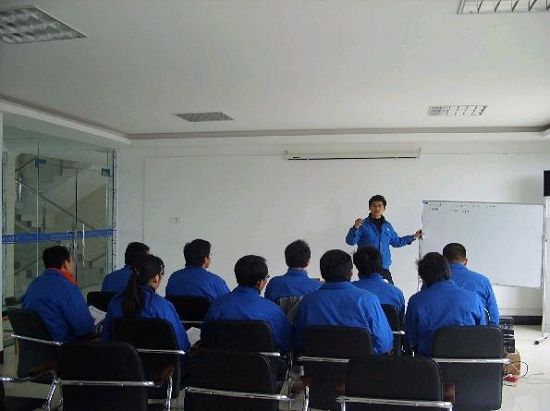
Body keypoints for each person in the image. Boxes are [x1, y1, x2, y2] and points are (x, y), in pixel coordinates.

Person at [294, 249, 393, 354]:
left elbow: (298, 342)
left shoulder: (307, 302)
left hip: (317, 364)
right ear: (351, 273)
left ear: (322, 273)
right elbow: (384, 344)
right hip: (361, 363)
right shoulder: (368, 300)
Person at [201, 255, 292, 353]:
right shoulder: (273, 311)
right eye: (266, 277)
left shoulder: (217, 305)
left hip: (220, 362)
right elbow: (286, 343)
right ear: (259, 283)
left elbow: (206, 338)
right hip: (261, 363)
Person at [102, 254, 190, 351]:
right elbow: (182, 346)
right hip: (160, 361)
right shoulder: (163, 306)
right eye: (162, 274)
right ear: (156, 278)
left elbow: (106, 339)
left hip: (122, 359)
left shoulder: (115, 302)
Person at [405, 252, 486, 357]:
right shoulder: (473, 298)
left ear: (423, 277)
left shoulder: (416, 301)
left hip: (429, 364)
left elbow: (411, 340)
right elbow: (482, 336)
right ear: (448, 271)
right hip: (467, 363)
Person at [22, 245, 95, 342]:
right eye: (72, 261)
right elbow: (85, 329)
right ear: (65, 264)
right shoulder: (67, 288)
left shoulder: (33, 285)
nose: (74, 264)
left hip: (34, 346)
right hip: (62, 346)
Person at [345, 194, 422, 284]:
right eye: (374, 206)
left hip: (384, 266)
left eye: (379, 206)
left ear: (384, 208)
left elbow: (397, 242)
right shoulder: (362, 225)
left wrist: (413, 237)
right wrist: (355, 227)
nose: (377, 209)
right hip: (366, 266)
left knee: (389, 290)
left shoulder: (387, 226)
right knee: (368, 290)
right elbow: (350, 241)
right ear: (370, 208)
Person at [443, 243, 500, 326]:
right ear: (465, 261)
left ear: (443, 261)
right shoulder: (483, 281)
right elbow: (494, 318)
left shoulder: (434, 282)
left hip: (442, 333)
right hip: (477, 332)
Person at [352, 246, 406, 322]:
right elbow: (400, 324)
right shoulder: (397, 293)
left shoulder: (348, 292)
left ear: (357, 265)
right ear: (381, 264)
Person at [165, 239, 230, 301]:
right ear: (205, 258)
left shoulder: (173, 278)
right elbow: (228, 304)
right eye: (209, 255)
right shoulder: (216, 282)